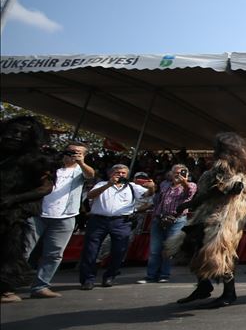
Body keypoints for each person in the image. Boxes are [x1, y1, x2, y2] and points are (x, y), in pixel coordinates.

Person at [166, 132, 246, 308]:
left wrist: (190, 203)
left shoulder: (238, 172)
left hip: (227, 216)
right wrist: (192, 203)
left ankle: (229, 293)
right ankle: (203, 286)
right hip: (207, 213)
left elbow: (226, 190)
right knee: (190, 244)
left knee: (220, 252)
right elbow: (207, 192)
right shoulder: (215, 170)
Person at [22, 141, 96, 298]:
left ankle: (40, 287)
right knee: (23, 250)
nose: (73, 154)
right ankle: (6, 285)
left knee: (54, 254)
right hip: (38, 214)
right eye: (70, 151)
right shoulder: (50, 166)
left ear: (84, 155)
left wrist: (81, 162)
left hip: (65, 217)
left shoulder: (81, 170)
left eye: (78, 152)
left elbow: (90, 175)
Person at [0, 117, 57, 303]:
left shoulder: (37, 160)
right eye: (13, 132)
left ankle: (4, 289)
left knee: (9, 251)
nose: (15, 137)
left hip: (12, 215)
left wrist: (13, 199)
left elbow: (45, 188)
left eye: (22, 134)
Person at [78, 164, 155, 289]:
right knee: (90, 250)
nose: (120, 175)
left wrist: (152, 187)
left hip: (121, 222)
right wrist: (109, 184)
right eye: (117, 172)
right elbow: (91, 195)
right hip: (99, 220)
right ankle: (88, 279)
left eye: (123, 173)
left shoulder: (132, 186)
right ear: (111, 173)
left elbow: (147, 194)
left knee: (119, 251)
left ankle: (110, 276)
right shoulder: (101, 184)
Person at [137, 164, 196, 283]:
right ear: (171, 173)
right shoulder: (164, 184)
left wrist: (184, 182)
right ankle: (151, 275)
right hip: (159, 218)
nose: (177, 175)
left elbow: (189, 193)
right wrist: (152, 188)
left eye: (181, 172)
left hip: (176, 220)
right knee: (154, 250)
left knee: (169, 249)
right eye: (175, 172)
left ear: (186, 174)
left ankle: (164, 274)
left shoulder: (191, 185)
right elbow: (156, 200)